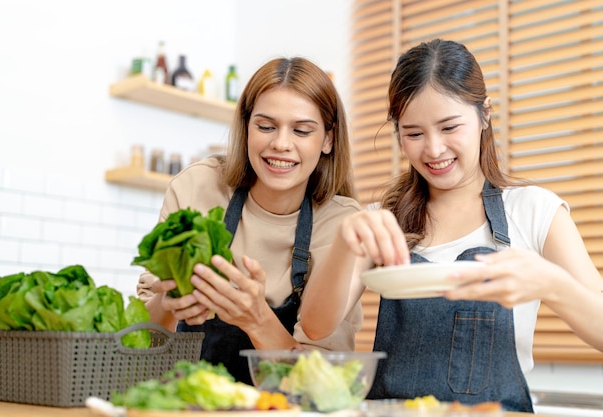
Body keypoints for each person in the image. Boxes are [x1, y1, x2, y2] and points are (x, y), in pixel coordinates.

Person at [300, 39, 603, 412]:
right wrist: (346, 242)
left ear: (485, 115)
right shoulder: (383, 221)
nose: (433, 150)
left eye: (449, 127)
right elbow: (315, 327)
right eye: (414, 133)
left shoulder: (534, 210)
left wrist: (551, 284)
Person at [136, 56, 363, 384]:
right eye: (266, 126)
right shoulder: (196, 187)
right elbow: (143, 340)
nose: (281, 144)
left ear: (328, 139)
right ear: (246, 128)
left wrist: (257, 320)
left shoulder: (343, 225)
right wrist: (169, 303)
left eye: (301, 130)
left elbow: (324, 384)